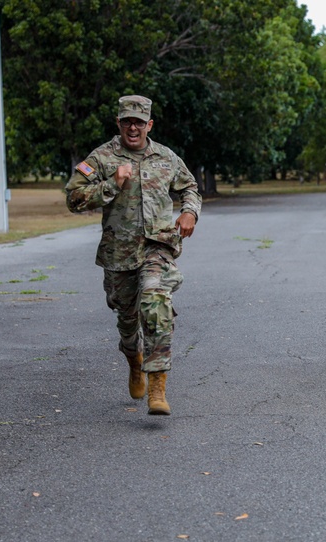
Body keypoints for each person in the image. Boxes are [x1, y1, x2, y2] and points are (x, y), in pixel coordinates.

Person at [65, 95, 201, 415]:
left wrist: (190, 212)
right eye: (127, 121)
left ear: (149, 124)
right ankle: (134, 359)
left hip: (158, 247)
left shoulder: (166, 157)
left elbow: (190, 187)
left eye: (139, 122)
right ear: (119, 123)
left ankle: (158, 386)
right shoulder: (101, 157)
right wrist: (111, 183)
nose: (133, 127)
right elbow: (73, 197)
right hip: (118, 254)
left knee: (155, 302)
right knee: (127, 322)